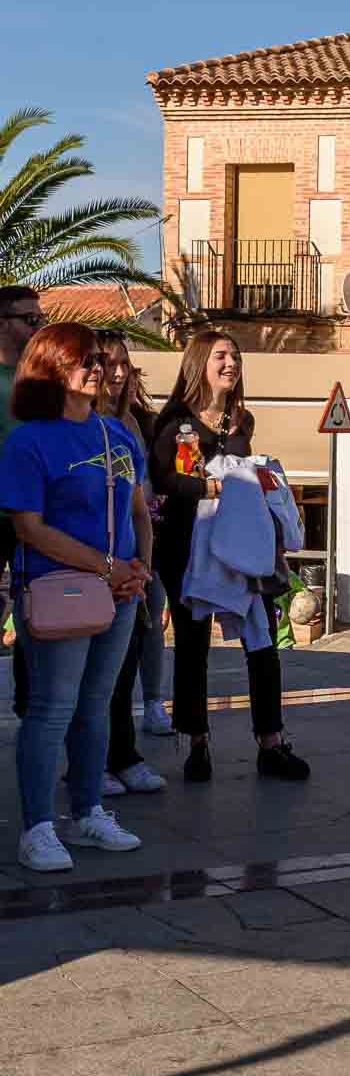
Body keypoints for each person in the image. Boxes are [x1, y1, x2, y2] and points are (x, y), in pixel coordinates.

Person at [2, 323, 151, 870]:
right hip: (59, 588)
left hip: (121, 590)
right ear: (50, 369)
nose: (98, 367)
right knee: (51, 708)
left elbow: (138, 510)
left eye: (99, 357)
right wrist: (108, 568)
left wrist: (141, 570)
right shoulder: (28, 441)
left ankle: (88, 811)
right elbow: (29, 528)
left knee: (97, 704)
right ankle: (38, 827)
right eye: (83, 359)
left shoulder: (118, 434)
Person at [150, 331, 310, 783]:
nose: (231, 362)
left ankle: (271, 742)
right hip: (188, 550)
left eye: (235, 356)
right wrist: (212, 486)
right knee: (193, 647)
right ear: (199, 362)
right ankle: (196, 743)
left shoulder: (242, 419)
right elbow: (168, 481)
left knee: (262, 641)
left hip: (242, 547)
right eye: (221, 355)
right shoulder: (177, 422)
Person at [98, 332, 169, 793]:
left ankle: (122, 755)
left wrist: (142, 564)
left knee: (124, 665)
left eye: (125, 363)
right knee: (92, 678)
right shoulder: (70, 427)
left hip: (129, 564)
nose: (119, 372)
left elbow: (140, 503)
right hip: (88, 567)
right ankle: (92, 765)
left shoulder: (131, 427)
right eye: (107, 362)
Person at [1, 285, 47, 719]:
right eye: (30, 320)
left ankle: (29, 707)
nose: (38, 328)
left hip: (35, 518)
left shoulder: (41, 386)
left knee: (37, 612)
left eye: (41, 319)